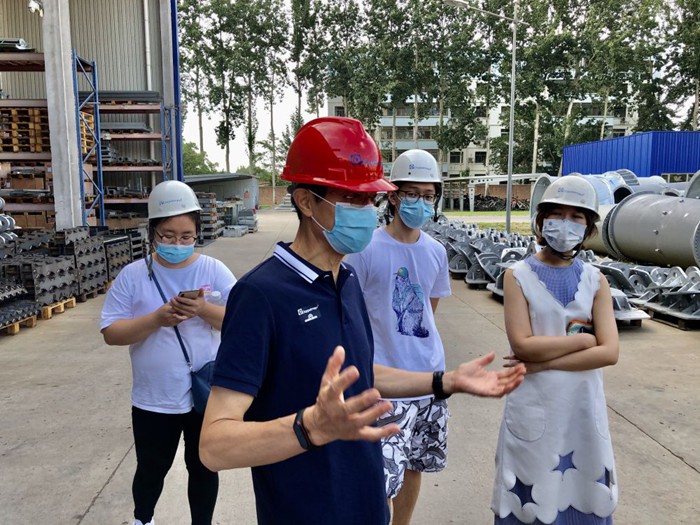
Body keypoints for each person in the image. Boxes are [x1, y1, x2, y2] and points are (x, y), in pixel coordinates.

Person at [199, 117, 525, 525]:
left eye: (371, 199)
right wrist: (309, 427)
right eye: (352, 198)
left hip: (367, 502)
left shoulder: (347, 280)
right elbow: (214, 445)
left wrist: (443, 381)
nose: (368, 212)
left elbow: (362, 373)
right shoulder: (261, 295)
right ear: (306, 202)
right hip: (306, 511)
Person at [100, 180, 236, 525]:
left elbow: (241, 323)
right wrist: (156, 319)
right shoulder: (133, 276)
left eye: (186, 236)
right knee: (151, 467)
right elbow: (111, 333)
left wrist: (203, 310)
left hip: (204, 394)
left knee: (203, 466)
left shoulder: (214, 270)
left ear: (197, 232)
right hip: (153, 397)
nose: (178, 243)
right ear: (152, 233)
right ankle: (142, 519)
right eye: (168, 235)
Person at [491, 175, 620, 525]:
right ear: (541, 219)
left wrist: (542, 364)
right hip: (535, 409)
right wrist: (583, 341)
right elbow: (523, 345)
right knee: (530, 500)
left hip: (581, 410)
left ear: (588, 226)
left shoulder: (596, 280)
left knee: (584, 496)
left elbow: (609, 352)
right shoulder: (517, 275)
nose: (566, 223)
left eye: (576, 216)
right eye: (557, 214)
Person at [345, 149, 451, 525]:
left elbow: (429, 312)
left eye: (428, 195)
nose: (420, 202)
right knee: (381, 475)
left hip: (429, 380)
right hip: (384, 384)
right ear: (393, 196)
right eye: (412, 194)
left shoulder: (436, 252)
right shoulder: (364, 250)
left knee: (414, 465)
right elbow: (352, 315)